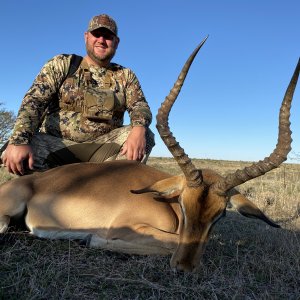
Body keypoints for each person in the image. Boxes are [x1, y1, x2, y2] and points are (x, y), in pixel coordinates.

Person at [1, 14, 154, 176]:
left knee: (146, 136)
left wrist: (139, 128)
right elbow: (35, 101)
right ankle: (46, 189)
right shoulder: (62, 63)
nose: (101, 40)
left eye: (108, 36)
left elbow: (140, 106)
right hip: (56, 146)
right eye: (97, 34)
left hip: (103, 152)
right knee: (15, 150)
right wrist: (19, 141)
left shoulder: (125, 75)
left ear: (116, 42)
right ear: (86, 37)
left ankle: (107, 187)